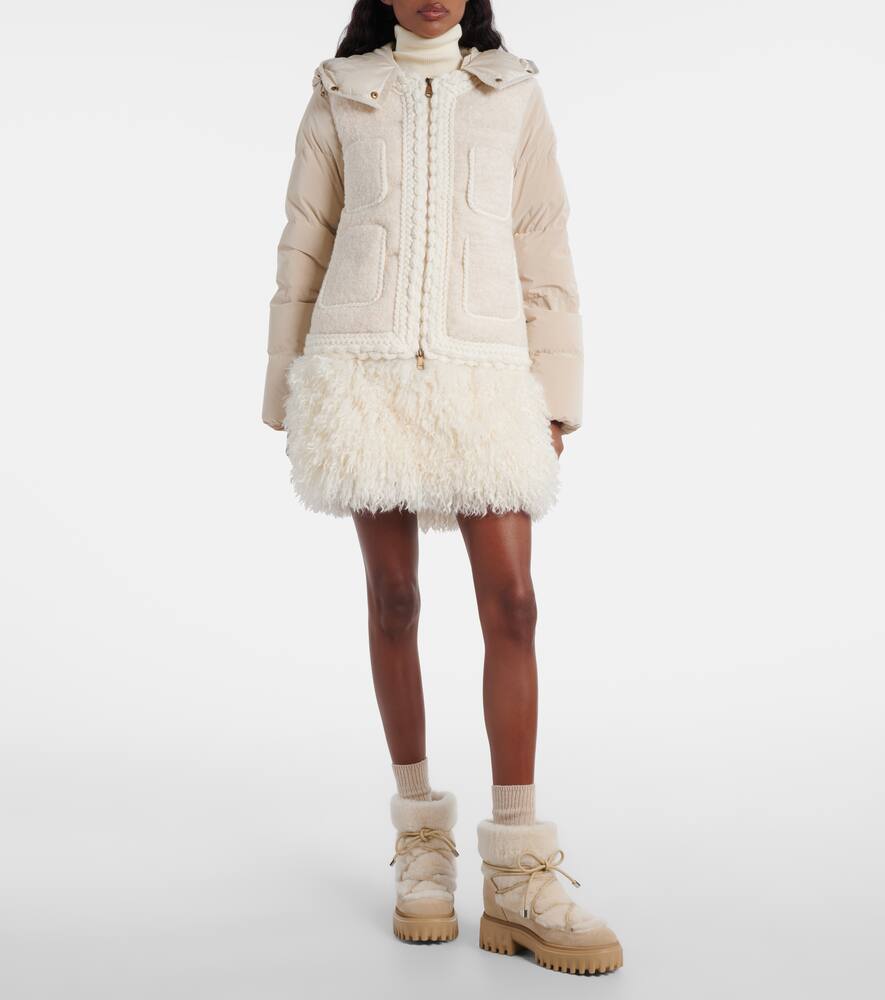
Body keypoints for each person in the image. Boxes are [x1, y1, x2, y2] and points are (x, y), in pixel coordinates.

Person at [261, 0, 622, 976]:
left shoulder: (513, 94)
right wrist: (286, 387)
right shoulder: (341, 92)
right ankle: (421, 842)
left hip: (487, 375)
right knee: (394, 601)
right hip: (363, 370)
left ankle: (518, 874)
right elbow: (305, 239)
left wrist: (556, 395)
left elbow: (542, 243)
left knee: (514, 604)